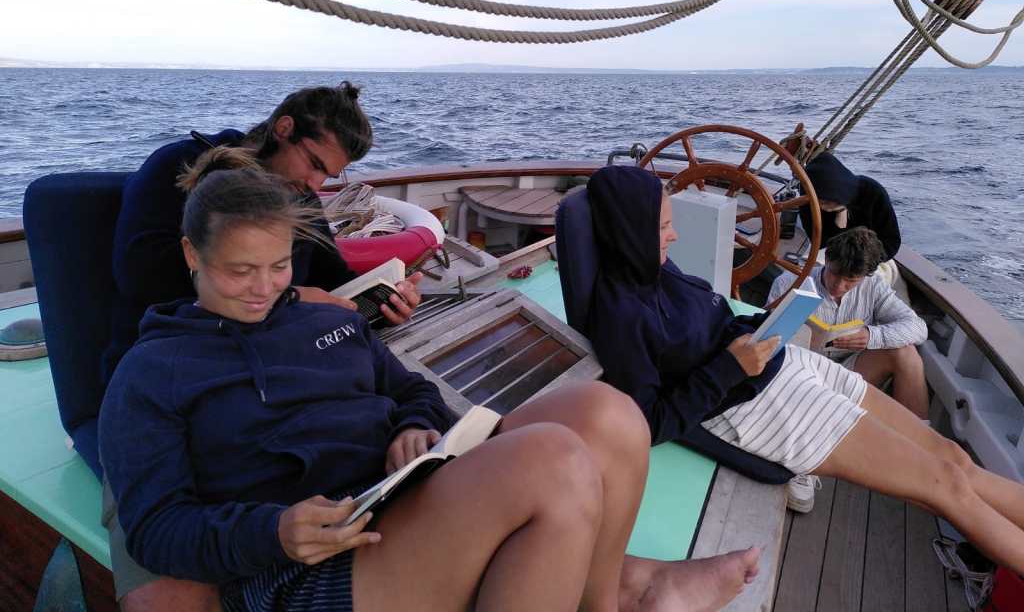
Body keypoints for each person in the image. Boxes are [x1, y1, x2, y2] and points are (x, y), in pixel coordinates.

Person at [99, 165, 763, 612]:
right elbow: (154, 530)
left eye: (277, 267)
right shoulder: (153, 372)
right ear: (191, 255)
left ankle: (601, 601)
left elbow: (410, 388)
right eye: (240, 271)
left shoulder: (321, 320)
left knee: (610, 413)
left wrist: (411, 427)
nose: (264, 288)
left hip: (399, 495)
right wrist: (274, 532)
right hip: (304, 562)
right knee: (554, 463)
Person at [586, 165, 1024, 573]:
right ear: (629, 229)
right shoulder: (621, 315)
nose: (675, 234)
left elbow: (713, 322)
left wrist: (764, 324)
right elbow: (648, 422)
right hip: (757, 407)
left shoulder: (659, 271)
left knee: (953, 457)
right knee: (947, 485)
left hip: (786, 364)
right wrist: (729, 368)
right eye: (663, 226)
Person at [101, 83, 423, 611]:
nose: (314, 184)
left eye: (327, 176)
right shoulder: (177, 168)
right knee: (168, 592)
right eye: (314, 163)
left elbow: (335, 282)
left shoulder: (297, 199)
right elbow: (137, 273)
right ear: (284, 129)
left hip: (274, 366)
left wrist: (383, 299)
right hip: (174, 379)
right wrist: (290, 293)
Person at [768, 227, 929, 419]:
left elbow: (919, 328)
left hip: (849, 372)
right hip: (799, 371)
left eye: (851, 280)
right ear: (827, 259)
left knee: (906, 353)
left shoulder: (874, 286)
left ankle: (920, 431)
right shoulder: (788, 283)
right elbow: (767, 340)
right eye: (834, 273)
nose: (839, 285)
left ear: (866, 275)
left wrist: (871, 336)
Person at [799, 151, 902, 261]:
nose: (820, 206)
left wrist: (862, 262)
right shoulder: (809, 202)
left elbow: (891, 242)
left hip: (870, 258)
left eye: (824, 202)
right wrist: (840, 215)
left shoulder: (873, 192)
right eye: (816, 202)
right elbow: (821, 243)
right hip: (831, 255)